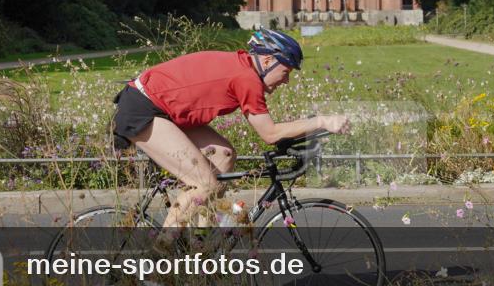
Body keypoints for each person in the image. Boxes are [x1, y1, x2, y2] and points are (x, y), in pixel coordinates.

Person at [112, 28, 349, 230]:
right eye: (286, 72)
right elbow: (270, 134)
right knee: (205, 184)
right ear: (267, 61)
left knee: (224, 156)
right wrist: (321, 121)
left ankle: (200, 246)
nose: (286, 80)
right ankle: (159, 259)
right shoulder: (247, 78)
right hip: (143, 108)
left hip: (163, 109)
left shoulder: (245, 69)